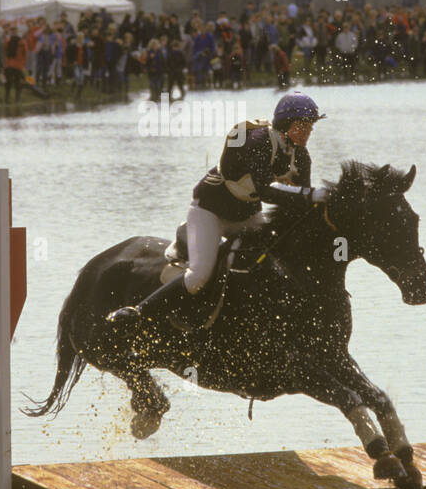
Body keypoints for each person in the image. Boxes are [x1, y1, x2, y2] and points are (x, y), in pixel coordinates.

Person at [105, 92, 328, 328]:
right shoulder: (258, 140)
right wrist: (312, 194)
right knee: (199, 276)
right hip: (209, 212)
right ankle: (138, 313)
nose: (307, 132)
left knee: (275, 258)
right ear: (285, 124)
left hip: (247, 215)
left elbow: (300, 203)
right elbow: (267, 191)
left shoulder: (300, 156)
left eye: (310, 127)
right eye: (302, 126)